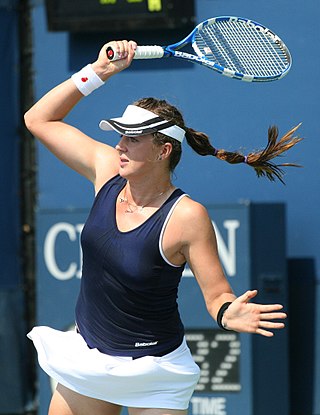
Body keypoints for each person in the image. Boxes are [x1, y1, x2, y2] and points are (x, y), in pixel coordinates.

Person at [25, 40, 301, 415]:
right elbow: (38, 119)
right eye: (120, 135)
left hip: (154, 371)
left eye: (132, 139)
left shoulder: (187, 216)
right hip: (88, 356)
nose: (120, 146)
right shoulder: (107, 170)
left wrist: (226, 313)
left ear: (162, 150)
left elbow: (217, 292)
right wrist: (98, 72)